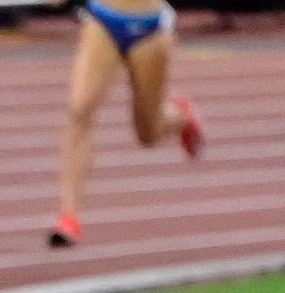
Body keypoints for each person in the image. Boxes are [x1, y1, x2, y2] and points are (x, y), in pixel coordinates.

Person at [50, 0, 204, 246]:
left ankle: (180, 116)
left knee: (148, 133)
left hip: (150, 25)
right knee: (80, 108)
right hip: (103, 17)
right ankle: (69, 217)